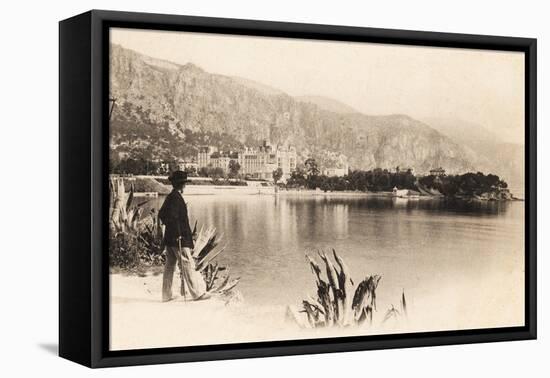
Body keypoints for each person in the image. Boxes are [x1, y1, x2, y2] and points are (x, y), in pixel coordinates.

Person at [158, 170, 196, 302]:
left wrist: (169, 230)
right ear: (181, 185)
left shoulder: (171, 196)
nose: (185, 186)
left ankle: (166, 295)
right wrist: (178, 234)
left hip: (170, 239)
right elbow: (174, 218)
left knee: (169, 267)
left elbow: (162, 215)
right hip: (178, 239)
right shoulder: (176, 198)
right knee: (187, 264)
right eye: (184, 183)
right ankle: (196, 293)